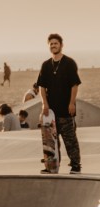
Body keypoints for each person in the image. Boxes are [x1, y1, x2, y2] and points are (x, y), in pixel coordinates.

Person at [37, 33, 82, 174]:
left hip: (66, 109)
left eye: (56, 43)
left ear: (61, 45)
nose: (53, 46)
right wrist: (45, 104)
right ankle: (51, 166)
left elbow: (74, 85)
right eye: (51, 44)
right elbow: (41, 87)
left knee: (70, 140)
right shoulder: (45, 65)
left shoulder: (69, 63)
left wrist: (72, 103)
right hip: (50, 112)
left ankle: (75, 165)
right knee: (51, 141)